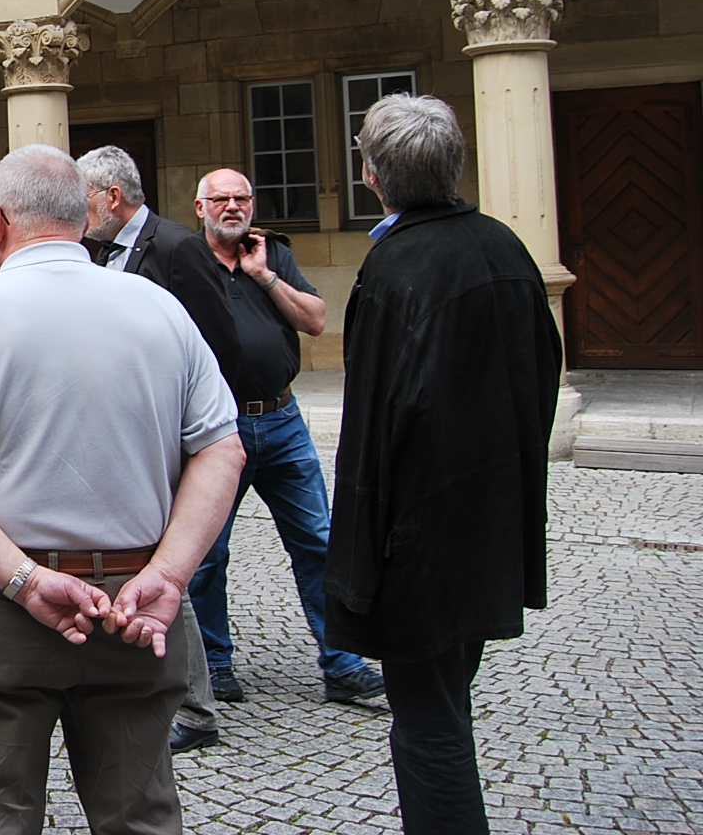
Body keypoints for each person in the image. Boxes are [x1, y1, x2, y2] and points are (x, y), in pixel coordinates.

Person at [0, 145, 245, 835]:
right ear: (83, 220)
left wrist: (25, 581)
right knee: (140, 817)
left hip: (4, 602)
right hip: (134, 600)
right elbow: (222, 449)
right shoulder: (160, 310)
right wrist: (169, 574)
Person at [327, 95, 559, 835]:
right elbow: (542, 382)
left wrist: (358, 569)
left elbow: (370, 433)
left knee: (430, 726)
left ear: (372, 176)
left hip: (421, 543)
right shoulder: (504, 245)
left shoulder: (395, 267)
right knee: (446, 703)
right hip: (490, 522)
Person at [180, 168, 384, 723]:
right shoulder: (184, 262)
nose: (232, 207)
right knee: (207, 552)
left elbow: (316, 321)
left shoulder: (273, 255)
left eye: (241, 198)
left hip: (282, 420)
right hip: (216, 429)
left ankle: (342, 663)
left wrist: (265, 276)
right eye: (220, 199)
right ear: (200, 208)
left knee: (318, 541)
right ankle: (215, 664)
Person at [78, 143, 241, 755]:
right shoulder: (97, 251)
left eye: (84, 200)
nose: (79, 213)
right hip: (126, 433)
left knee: (170, 562)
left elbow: (216, 346)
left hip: (169, 436)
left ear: (112, 197)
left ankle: (196, 705)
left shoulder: (176, 248)